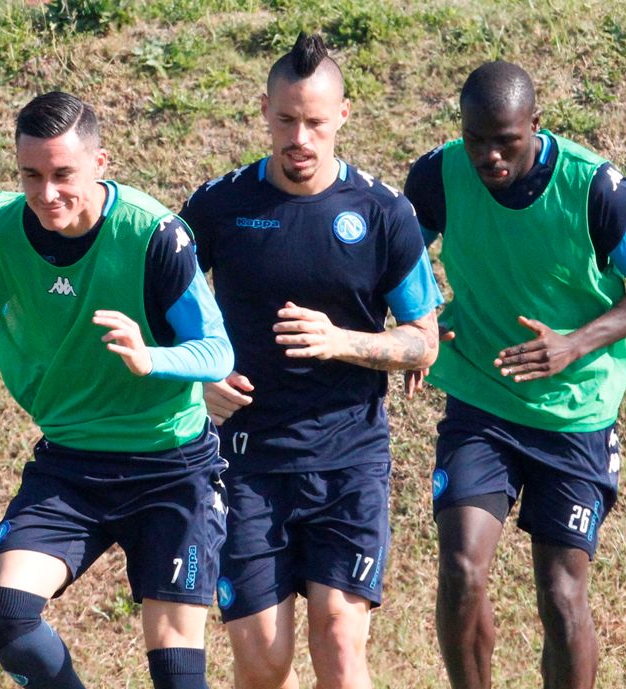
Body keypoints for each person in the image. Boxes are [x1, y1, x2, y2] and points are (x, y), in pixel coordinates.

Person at [0, 91, 234, 689]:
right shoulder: (1, 227)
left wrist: (150, 358)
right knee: (2, 607)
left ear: (100, 164)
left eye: (62, 175)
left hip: (171, 467)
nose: (46, 193)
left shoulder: (153, 234)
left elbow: (217, 352)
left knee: (177, 673)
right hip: (71, 462)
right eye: (31, 175)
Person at [179, 33, 441, 689]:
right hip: (245, 461)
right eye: (287, 119)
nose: (300, 137)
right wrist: (198, 379)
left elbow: (423, 340)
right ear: (264, 111)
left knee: (340, 643)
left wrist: (342, 341)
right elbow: (158, 311)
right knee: (263, 664)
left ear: (343, 116)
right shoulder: (218, 207)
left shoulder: (384, 213)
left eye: (316, 122)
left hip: (348, 460)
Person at [402, 61, 626, 689]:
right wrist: (419, 324)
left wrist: (574, 345)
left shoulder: (593, 187)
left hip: (574, 413)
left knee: (560, 593)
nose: (490, 157)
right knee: (461, 568)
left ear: (536, 124)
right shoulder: (438, 176)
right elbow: (398, 256)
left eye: (506, 141)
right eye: (476, 140)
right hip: (482, 399)